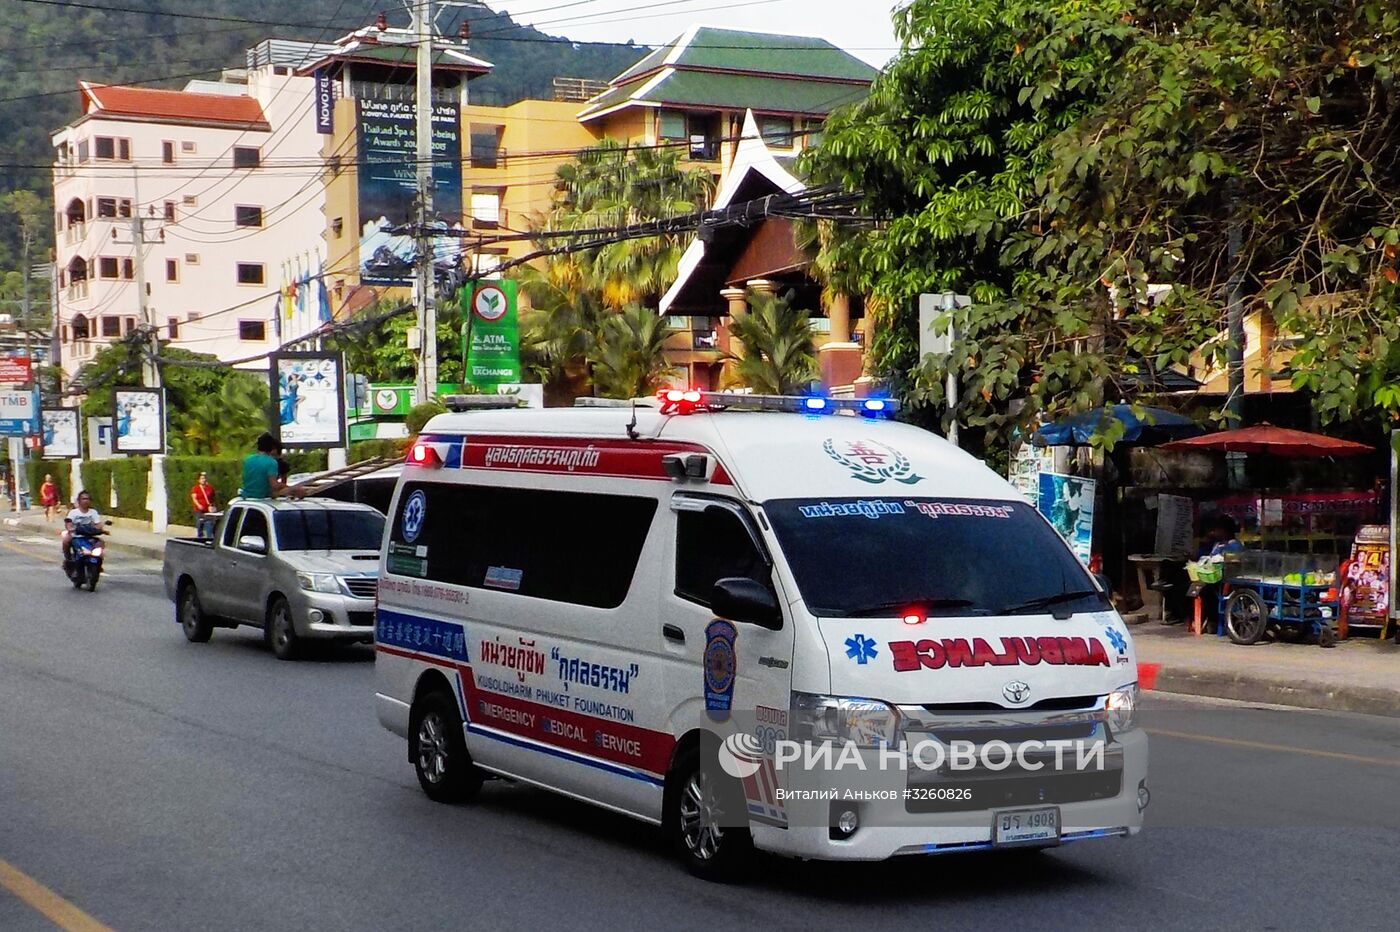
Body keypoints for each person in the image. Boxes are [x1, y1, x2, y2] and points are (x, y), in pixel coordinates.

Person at [241, 432, 305, 500]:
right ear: (271, 447)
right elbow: (274, 485)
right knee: (299, 491)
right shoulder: (271, 462)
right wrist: (288, 487)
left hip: (246, 497)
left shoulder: (248, 460)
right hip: (263, 497)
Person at [62, 490, 106, 567]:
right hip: (76, 535)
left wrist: (101, 529)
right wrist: (70, 528)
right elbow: (68, 522)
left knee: (101, 542)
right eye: (84, 499)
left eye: (88, 499)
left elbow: (98, 524)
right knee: (66, 540)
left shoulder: (93, 512)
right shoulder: (74, 512)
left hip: (88, 535)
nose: (86, 501)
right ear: (79, 501)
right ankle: (68, 559)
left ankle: (99, 563)